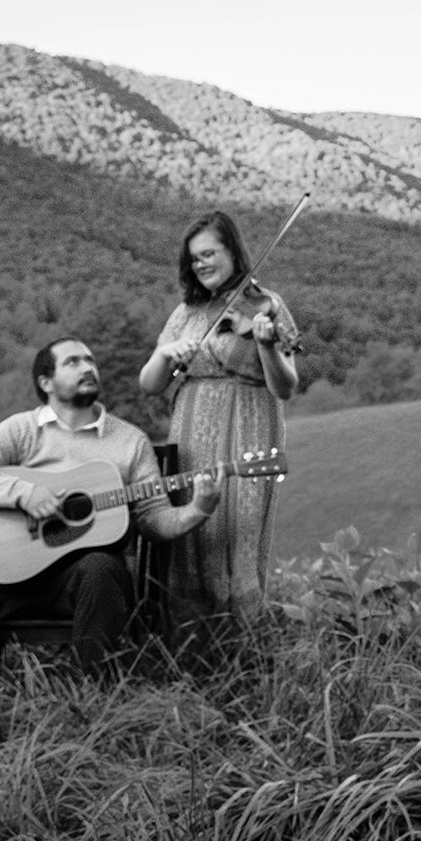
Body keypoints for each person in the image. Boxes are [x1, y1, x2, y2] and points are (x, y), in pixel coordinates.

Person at [0, 336, 223, 705]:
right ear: (46, 382)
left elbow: (153, 518)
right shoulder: (22, 429)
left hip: (84, 583)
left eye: (90, 360)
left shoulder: (129, 441)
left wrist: (197, 509)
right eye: (74, 362)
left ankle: (94, 703)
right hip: (13, 574)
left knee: (100, 566)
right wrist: (24, 494)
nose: (88, 367)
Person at [138, 210, 299, 643]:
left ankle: (242, 648)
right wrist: (167, 353)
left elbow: (285, 386)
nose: (201, 264)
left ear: (233, 251)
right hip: (189, 432)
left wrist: (266, 346)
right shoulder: (186, 312)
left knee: (236, 536)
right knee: (191, 534)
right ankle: (191, 644)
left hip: (248, 429)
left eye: (209, 253)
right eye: (194, 258)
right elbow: (150, 385)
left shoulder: (267, 305)